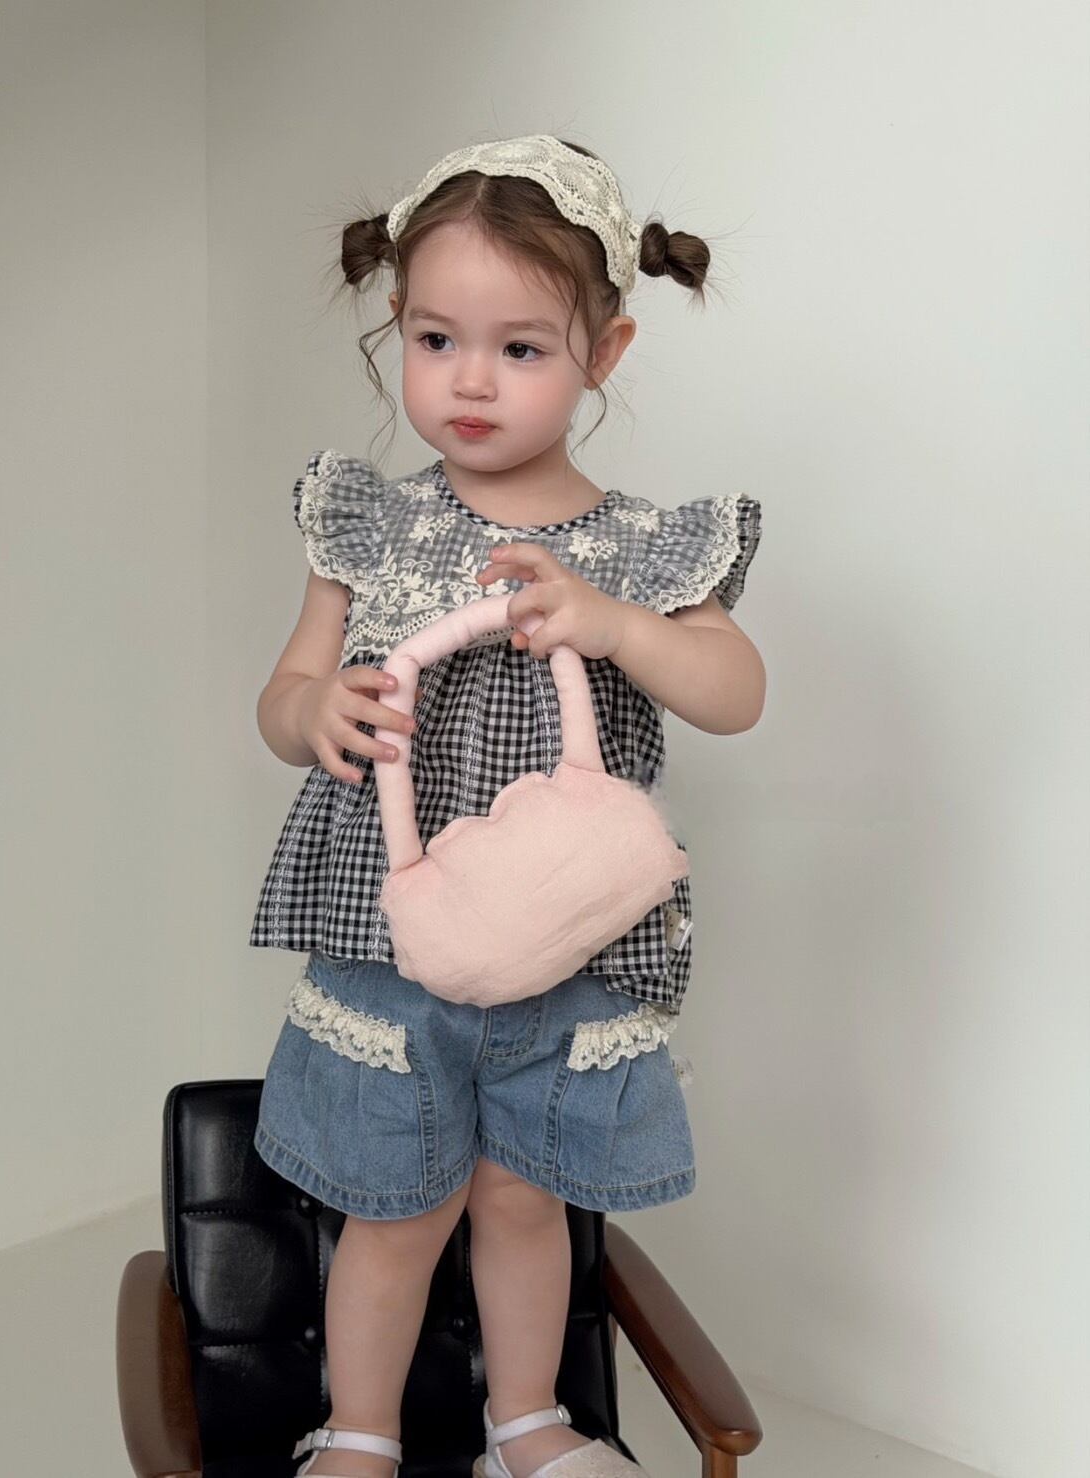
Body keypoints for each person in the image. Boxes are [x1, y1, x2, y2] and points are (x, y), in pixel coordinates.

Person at [249, 134, 765, 1478]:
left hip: (567, 941)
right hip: (392, 936)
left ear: (606, 352)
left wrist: (613, 624)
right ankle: (360, 1430)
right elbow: (285, 693)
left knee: (525, 1197)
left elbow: (735, 691)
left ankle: (523, 1419)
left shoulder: (642, 546)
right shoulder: (368, 524)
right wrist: (318, 712)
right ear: (399, 328)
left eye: (522, 348)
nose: (470, 380)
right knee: (396, 1208)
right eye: (436, 339)